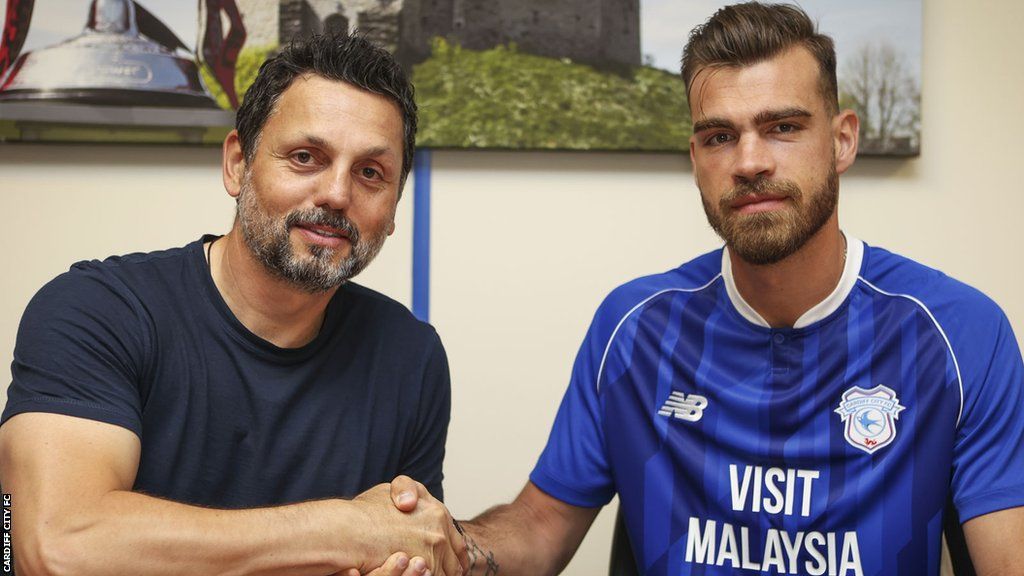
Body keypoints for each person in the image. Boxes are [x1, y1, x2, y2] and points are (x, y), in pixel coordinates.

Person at [383, 3, 1024, 575]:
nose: (749, 163)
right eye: (720, 136)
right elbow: (540, 526)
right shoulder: (633, 328)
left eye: (783, 127)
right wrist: (446, 548)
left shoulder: (961, 333)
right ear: (695, 159)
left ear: (842, 140)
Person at [0, 33, 467, 576]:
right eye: (305, 157)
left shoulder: (409, 355)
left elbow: (411, 543)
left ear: (392, 210)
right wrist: (343, 530)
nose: (338, 194)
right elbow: (53, 547)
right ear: (237, 165)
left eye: (370, 173)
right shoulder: (95, 311)